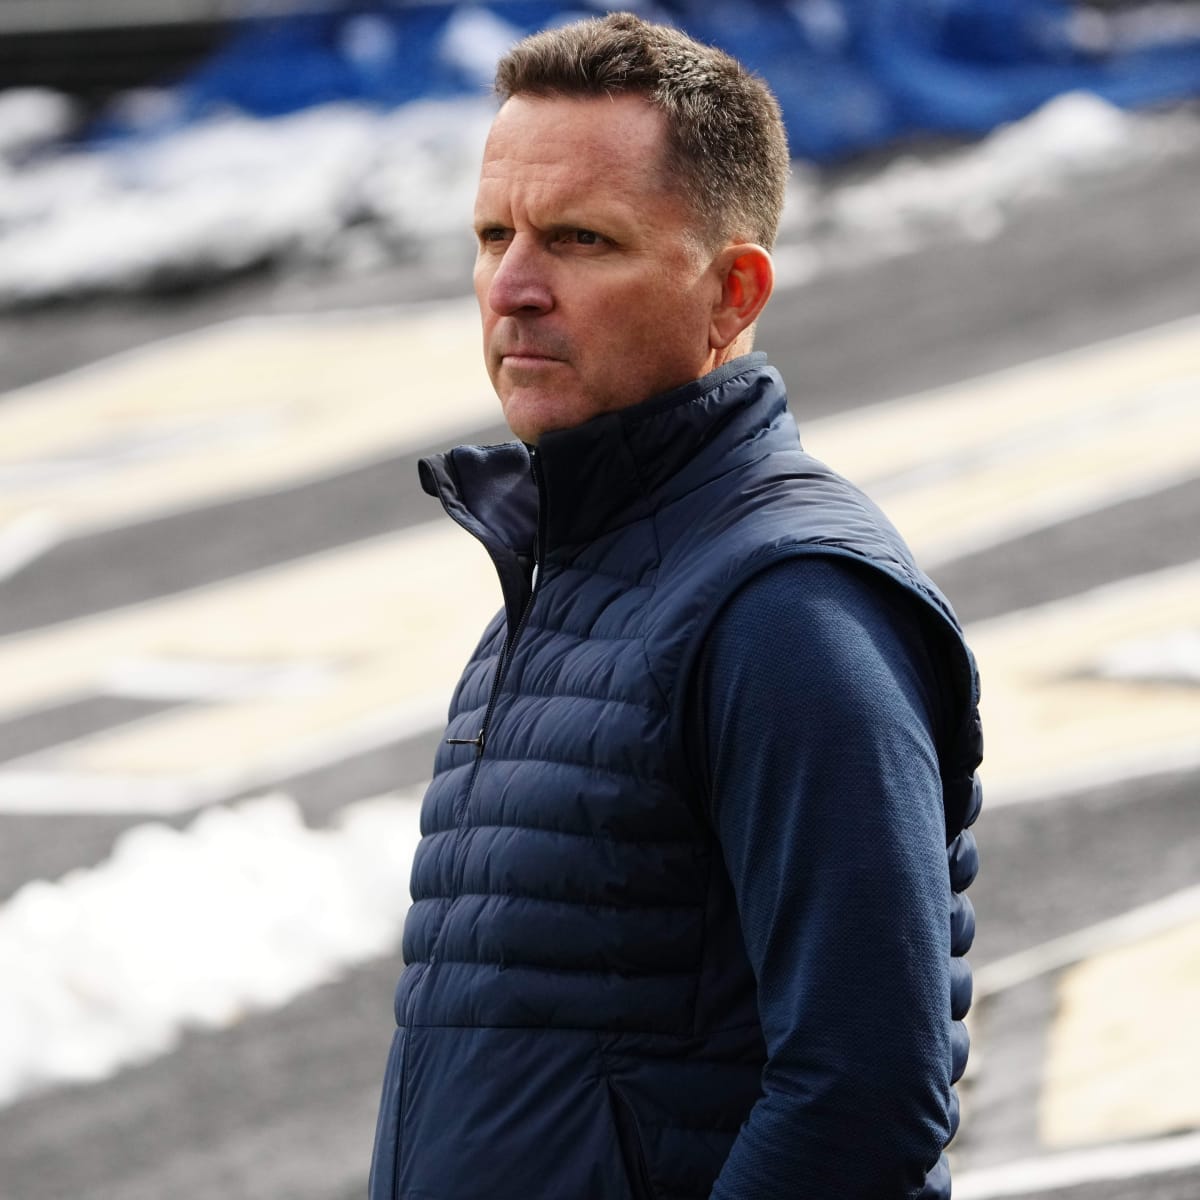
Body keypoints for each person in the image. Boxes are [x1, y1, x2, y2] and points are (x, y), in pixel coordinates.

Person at [370, 12, 982, 1200]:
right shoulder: (566, 582)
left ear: (731, 291)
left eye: (581, 240)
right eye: (493, 234)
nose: (512, 286)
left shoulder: (789, 607)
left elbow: (865, 1095)